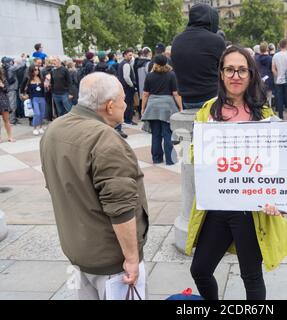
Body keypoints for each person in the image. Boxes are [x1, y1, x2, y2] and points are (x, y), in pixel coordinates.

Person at [187, 45, 287, 300]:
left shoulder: (263, 113)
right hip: (216, 206)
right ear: (221, 74)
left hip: (249, 209)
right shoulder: (208, 110)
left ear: (251, 75)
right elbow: (195, 155)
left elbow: (276, 164)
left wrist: (277, 199)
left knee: (251, 276)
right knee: (200, 270)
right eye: (230, 69)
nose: (235, 76)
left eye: (242, 70)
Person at [40, 72, 149, 300]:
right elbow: (121, 208)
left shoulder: (54, 129)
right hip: (110, 259)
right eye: (122, 100)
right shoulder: (105, 139)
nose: (126, 104)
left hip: (77, 250)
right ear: (110, 106)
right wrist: (131, 258)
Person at [171, 3, 226, 110]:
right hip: (211, 97)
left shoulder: (177, 40)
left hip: (186, 99)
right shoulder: (216, 40)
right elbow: (224, 69)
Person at [141, 55, 182, 165]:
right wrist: (180, 107)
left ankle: (156, 158)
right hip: (167, 107)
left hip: (153, 106)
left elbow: (145, 94)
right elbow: (175, 93)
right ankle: (170, 159)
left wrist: (143, 108)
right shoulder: (171, 75)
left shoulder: (150, 76)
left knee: (156, 134)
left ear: (155, 63)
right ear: (166, 63)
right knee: (167, 133)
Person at [272, 39, 287, 120]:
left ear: (279, 45)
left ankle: (280, 116)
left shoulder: (275, 55)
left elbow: (273, 69)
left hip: (278, 81)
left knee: (279, 99)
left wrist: (278, 75)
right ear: (286, 45)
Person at [1, 56, 26, 125]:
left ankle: (12, 118)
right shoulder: (10, 68)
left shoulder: (4, 68)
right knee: (12, 105)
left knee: (11, 104)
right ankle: (12, 120)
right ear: (8, 62)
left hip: (9, 89)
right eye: (11, 61)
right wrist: (23, 59)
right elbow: (21, 65)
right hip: (11, 89)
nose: (12, 62)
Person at [117, 48, 137, 129]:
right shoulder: (126, 64)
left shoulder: (122, 63)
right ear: (125, 55)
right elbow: (126, 77)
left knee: (126, 103)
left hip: (123, 87)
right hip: (127, 87)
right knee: (129, 103)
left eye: (131, 55)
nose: (131, 57)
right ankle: (128, 119)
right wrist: (132, 85)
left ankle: (126, 119)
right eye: (129, 55)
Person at [24, 65, 46, 135]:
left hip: (42, 98)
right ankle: (35, 128)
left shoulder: (41, 78)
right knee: (37, 113)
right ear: (32, 71)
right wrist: (24, 94)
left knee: (42, 114)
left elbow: (45, 89)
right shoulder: (29, 79)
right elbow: (25, 89)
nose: (37, 71)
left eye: (37, 70)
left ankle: (40, 127)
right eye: (35, 70)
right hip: (34, 98)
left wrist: (46, 86)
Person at [134, 47, 153, 118]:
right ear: (148, 53)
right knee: (146, 100)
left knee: (141, 99)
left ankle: (140, 114)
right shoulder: (147, 63)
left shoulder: (137, 62)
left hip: (139, 84)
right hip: (146, 84)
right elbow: (149, 73)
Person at [255, 42, 274, 108]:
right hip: (269, 79)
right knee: (269, 99)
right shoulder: (270, 58)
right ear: (267, 49)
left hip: (259, 79)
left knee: (260, 98)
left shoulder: (256, 58)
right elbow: (272, 69)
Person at [0, 66, 15, 142]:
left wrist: (2, 86)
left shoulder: (3, 79)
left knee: (6, 120)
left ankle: (10, 137)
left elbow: (8, 90)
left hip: (3, 101)